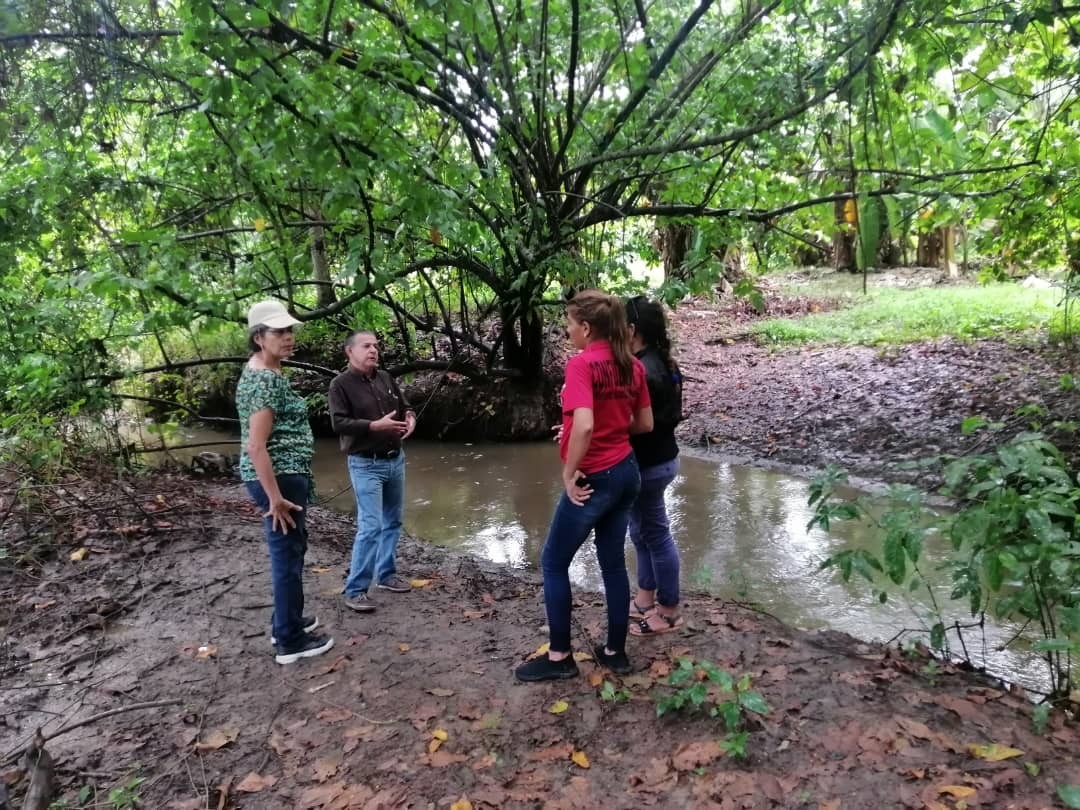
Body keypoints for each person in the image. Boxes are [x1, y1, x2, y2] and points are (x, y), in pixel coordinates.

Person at [515, 290, 653, 682]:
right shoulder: (633, 366)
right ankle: (615, 652)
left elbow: (588, 425)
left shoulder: (582, 365)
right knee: (611, 562)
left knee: (554, 562)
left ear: (587, 328)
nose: (567, 331)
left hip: (595, 476)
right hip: (627, 472)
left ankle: (559, 657)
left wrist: (568, 471)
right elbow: (644, 424)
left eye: (570, 325)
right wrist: (597, 428)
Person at [237, 300, 334, 664]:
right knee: (287, 558)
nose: (288, 337)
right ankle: (289, 642)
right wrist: (275, 498)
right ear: (259, 337)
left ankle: (287, 621)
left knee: (291, 551)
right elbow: (256, 445)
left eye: (289, 330)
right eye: (279, 332)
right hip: (277, 479)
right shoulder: (264, 381)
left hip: (283, 475)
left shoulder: (267, 371)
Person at [329, 330, 417, 613]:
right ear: (349, 351)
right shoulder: (340, 385)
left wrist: (411, 417)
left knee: (393, 521)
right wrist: (373, 426)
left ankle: (387, 575)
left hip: (395, 459)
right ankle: (355, 589)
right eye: (366, 346)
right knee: (370, 526)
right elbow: (339, 423)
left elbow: (405, 407)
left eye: (375, 346)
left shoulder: (385, 378)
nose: (373, 350)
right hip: (365, 463)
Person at [625, 296, 685, 636]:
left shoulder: (644, 370)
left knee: (656, 534)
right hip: (661, 459)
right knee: (642, 531)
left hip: (650, 465)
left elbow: (640, 422)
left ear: (632, 330)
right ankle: (645, 597)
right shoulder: (663, 362)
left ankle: (669, 610)